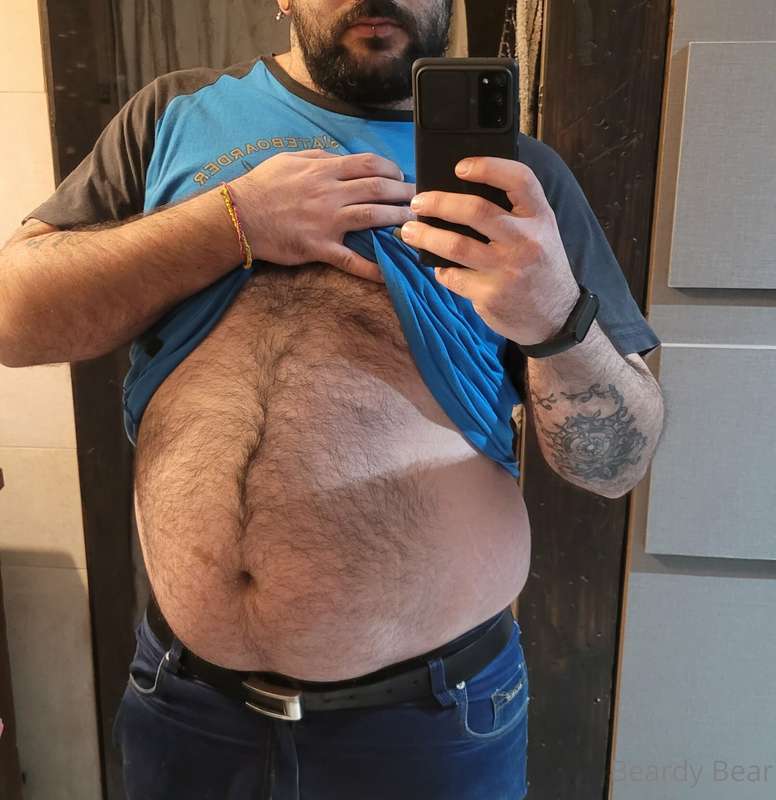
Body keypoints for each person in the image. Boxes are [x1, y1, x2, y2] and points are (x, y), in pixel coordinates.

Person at [0, 0, 665, 797]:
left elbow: (616, 465)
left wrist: (556, 318)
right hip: (187, 708)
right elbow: (13, 317)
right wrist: (233, 222)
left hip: (428, 729)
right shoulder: (169, 116)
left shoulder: (520, 177)